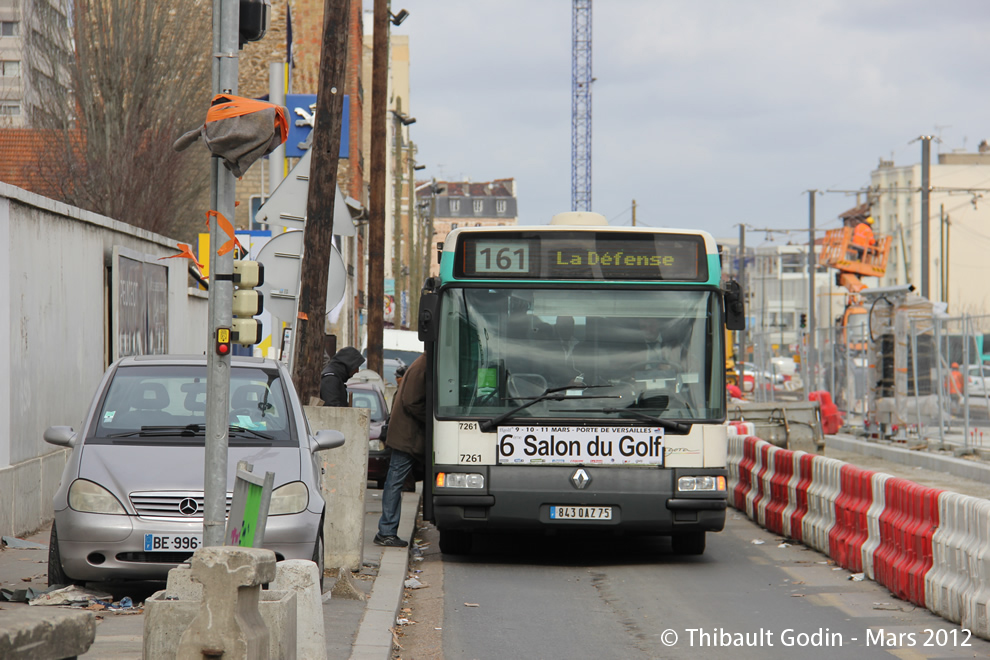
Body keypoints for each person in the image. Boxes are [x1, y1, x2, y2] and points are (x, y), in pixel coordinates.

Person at [375, 354, 427, 547]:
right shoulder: (423, 366)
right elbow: (412, 401)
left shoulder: (420, 364)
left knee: (395, 481)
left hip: (406, 435)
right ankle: (386, 531)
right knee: (394, 482)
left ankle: (387, 530)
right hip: (407, 436)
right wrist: (432, 419)